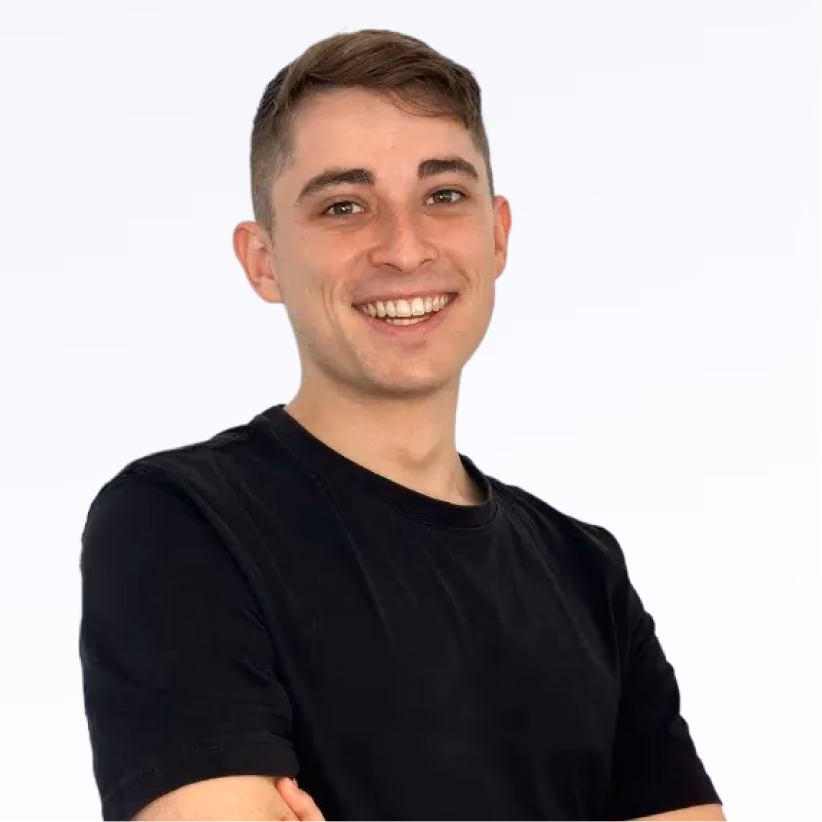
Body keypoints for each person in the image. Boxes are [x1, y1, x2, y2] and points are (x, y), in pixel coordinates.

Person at [79, 28, 725, 822]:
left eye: (443, 195)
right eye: (344, 206)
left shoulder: (586, 572)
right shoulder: (179, 525)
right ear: (264, 261)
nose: (404, 247)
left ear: (497, 235)